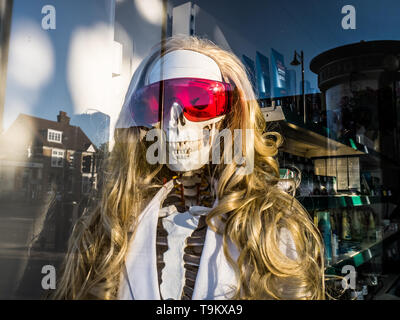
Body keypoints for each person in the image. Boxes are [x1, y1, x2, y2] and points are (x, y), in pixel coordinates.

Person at [53, 35, 325, 300]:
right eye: (156, 104)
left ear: (229, 114)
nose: (174, 121)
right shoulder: (113, 224)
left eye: (200, 102)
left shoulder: (269, 227)